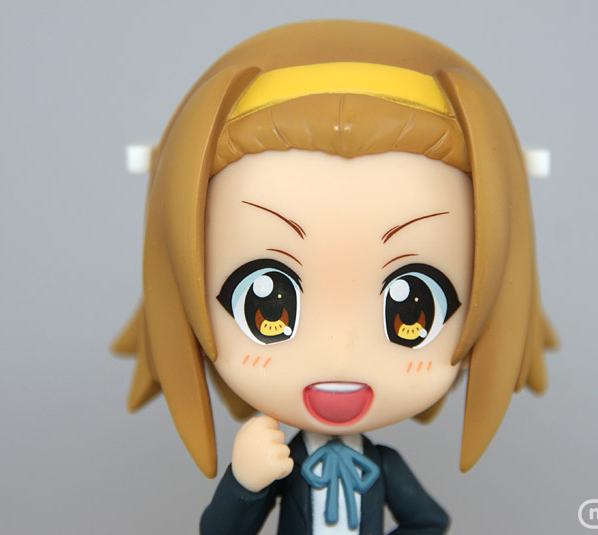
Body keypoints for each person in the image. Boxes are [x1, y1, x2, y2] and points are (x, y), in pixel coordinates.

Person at [113, 20, 556, 535]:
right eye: (269, 305)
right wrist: (245, 482)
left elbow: (429, 522)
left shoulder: (384, 467)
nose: (339, 353)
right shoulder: (279, 464)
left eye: (411, 309)